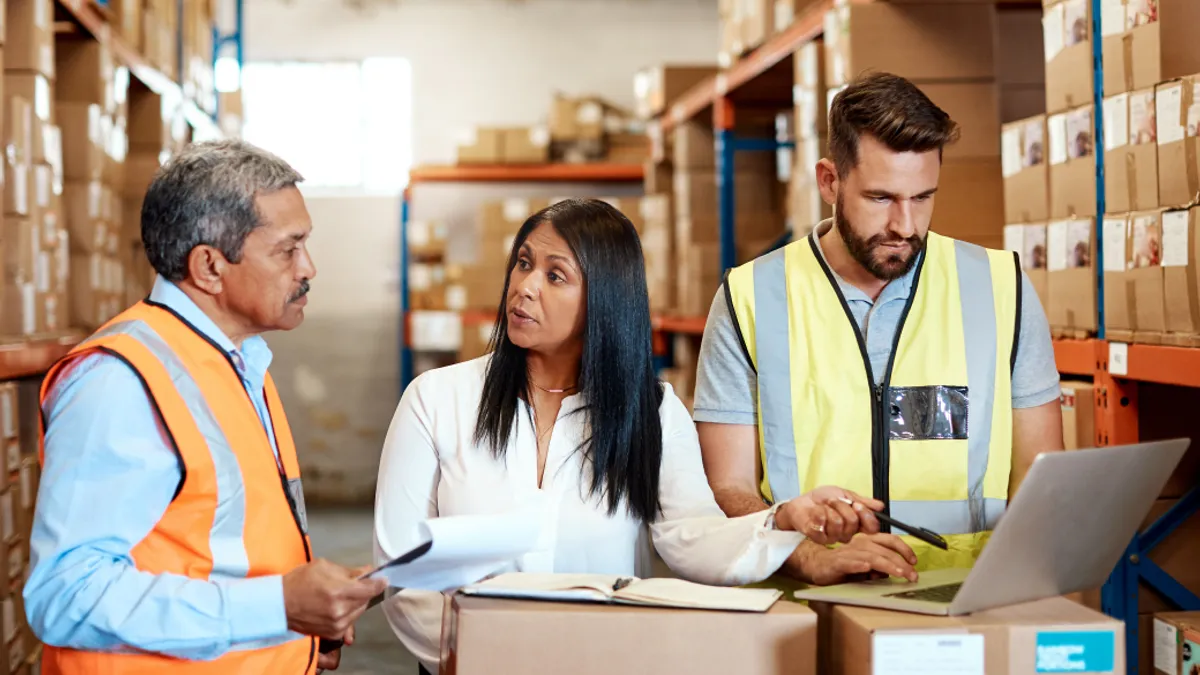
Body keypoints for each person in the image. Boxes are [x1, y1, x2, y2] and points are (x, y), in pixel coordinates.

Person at [374, 198, 886, 673]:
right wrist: (481, 654)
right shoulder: (435, 399)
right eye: (524, 263)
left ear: (605, 301)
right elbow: (402, 570)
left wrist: (784, 519)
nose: (525, 286)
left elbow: (691, 536)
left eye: (556, 276)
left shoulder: (653, 411)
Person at [25, 140, 387, 674]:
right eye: (288, 249)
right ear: (210, 267)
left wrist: (294, 630)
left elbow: (223, 550)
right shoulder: (121, 381)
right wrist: (278, 606)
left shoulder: (235, 361)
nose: (308, 267)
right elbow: (65, 596)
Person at [695, 72, 1065, 589]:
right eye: (881, 198)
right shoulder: (749, 297)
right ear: (829, 180)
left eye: (923, 197)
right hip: (807, 609)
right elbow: (726, 489)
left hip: (965, 602)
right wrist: (803, 555)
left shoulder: (1002, 287)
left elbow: (1040, 478)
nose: (905, 225)